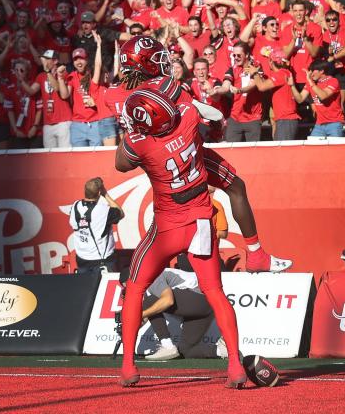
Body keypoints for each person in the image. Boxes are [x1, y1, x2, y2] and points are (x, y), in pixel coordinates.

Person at [118, 35, 291, 273]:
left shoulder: (123, 93)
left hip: (159, 160)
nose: (164, 63)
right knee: (235, 188)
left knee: (165, 215)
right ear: (145, 62)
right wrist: (217, 119)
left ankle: (146, 278)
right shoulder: (166, 86)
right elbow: (198, 109)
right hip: (186, 152)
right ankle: (255, 254)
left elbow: (125, 157)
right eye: (157, 58)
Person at [114, 88, 247, 388]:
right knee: (215, 292)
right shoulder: (186, 118)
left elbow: (120, 163)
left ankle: (127, 367)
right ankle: (235, 366)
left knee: (134, 288)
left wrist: (130, 127)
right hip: (200, 221)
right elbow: (204, 112)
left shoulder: (142, 143)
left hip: (167, 228)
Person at [141, 259, 230, 361]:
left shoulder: (153, 277)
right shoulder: (153, 279)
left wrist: (140, 314)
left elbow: (168, 301)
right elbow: (147, 315)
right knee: (186, 350)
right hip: (207, 305)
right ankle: (221, 350)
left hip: (202, 298)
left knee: (150, 300)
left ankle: (167, 346)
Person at [68, 177, 123, 273]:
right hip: (101, 262)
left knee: (85, 287)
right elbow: (121, 213)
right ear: (99, 193)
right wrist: (105, 195)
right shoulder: (103, 210)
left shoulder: (75, 206)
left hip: (82, 259)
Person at [288, 60, 344, 138]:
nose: (310, 73)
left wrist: (310, 82)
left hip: (334, 123)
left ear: (321, 71)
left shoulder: (333, 81)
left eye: (312, 70)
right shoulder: (311, 83)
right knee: (313, 148)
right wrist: (292, 86)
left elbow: (323, 96)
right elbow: (300, 99)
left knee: (335, 149)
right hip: (319, 125)